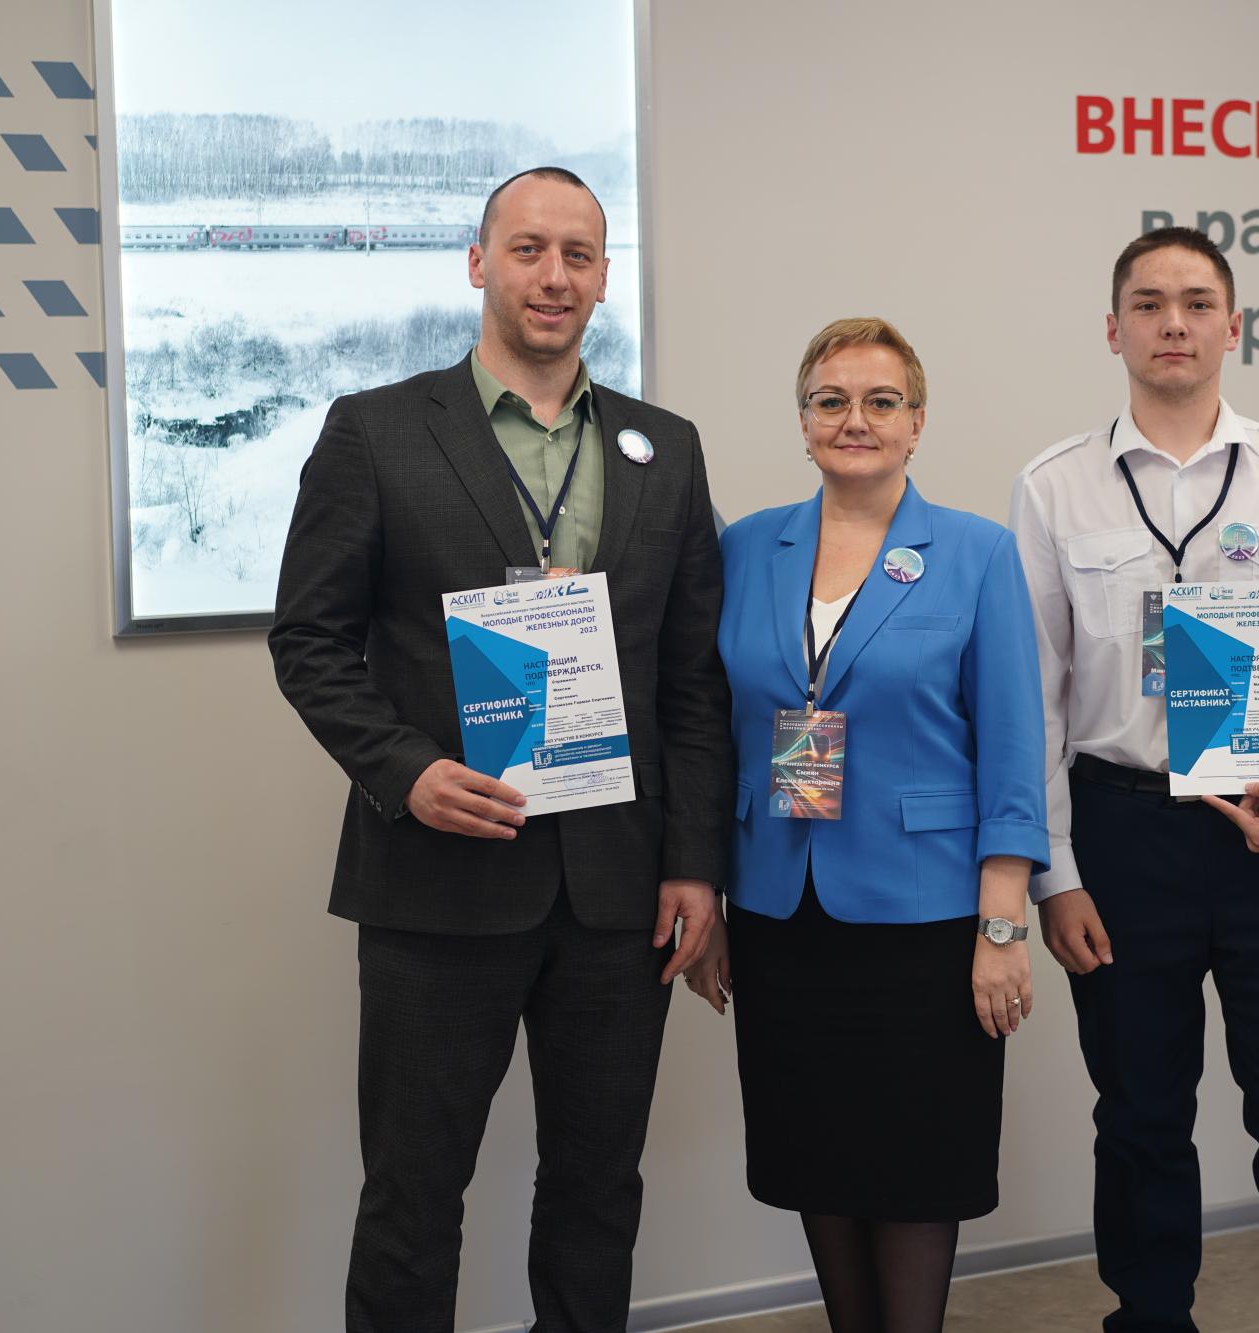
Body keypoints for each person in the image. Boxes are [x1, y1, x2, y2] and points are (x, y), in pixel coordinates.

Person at [269, 166, 732, 1333]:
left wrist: (694, 864)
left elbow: (690, 678)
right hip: (439, 881)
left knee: (596, 1192)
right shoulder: (376, 432)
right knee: (414, 1197)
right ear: (478, 263)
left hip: (618, 894)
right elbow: (309, 641)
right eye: (527, 249)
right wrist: (405, 771)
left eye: (578, 254)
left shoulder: (663, 448)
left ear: (605, 278)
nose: (553, 276)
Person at [1008, 227, 1259, 1333]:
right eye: (1147, 303)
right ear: (1112, 329)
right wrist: (1055, 876)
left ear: (1233, 326)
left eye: (1194, 302)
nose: (1171, 322)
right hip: (1122, 841)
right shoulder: (1053, 486)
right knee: (1138, 1121)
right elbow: (1033, 702)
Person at [686, 318, 1049, 1332]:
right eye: (831, 400)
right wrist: (711, 893)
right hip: (780, 913)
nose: (855, 419)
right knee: (819, 1157)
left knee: (915, 1168)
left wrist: (1003, 924)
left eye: (881, 401)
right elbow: (709, 727)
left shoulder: (975, 553)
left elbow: (1012, 749)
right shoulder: (747, 548)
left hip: (927, 921)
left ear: (916, 422)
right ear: (802, 421)